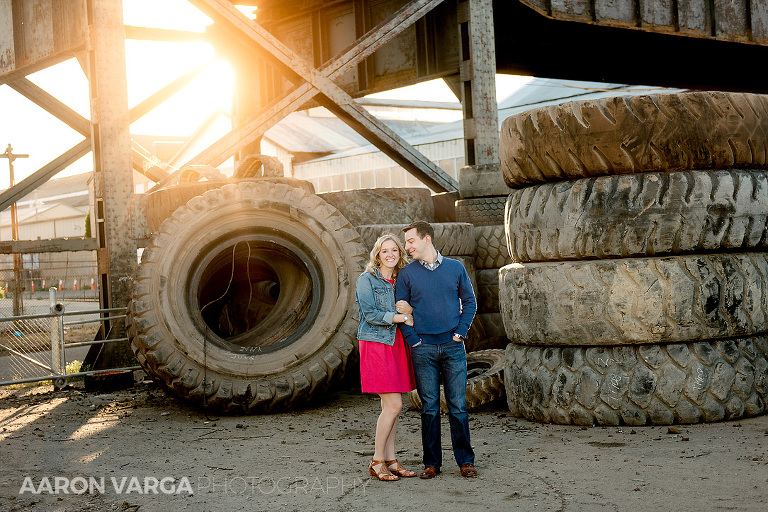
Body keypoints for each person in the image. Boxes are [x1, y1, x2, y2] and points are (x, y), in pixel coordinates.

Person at [394, 221, 478, 479]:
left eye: (410, 241)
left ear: (426, 239)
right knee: (429, 407)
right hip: (423, 348)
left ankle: (465, 461)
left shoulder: (455, 268)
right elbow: (401, 310)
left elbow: (470, 302)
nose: (406, 247)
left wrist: (460, 333)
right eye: (406, 242)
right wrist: (414, 340)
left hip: (453, 347)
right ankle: (432, 463)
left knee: (458, 406)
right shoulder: (407, 274)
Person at [356, 234, 418, 482]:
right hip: (376, 343)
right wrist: (403, 318)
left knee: (389, 408)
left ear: (400, 253)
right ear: (377, 254)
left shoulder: (401, 279)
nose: (390, 254)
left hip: (396, 343)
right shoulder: (367, 279)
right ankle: (376, 460)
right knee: (394, 405)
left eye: (394, 250)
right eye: (385, 251)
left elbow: (413, 305)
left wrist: (410, 312)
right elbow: (370, 314)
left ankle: (391, 460)